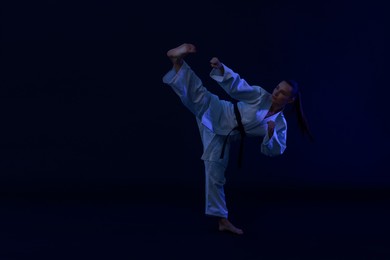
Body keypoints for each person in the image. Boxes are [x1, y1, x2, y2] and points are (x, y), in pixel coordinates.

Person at [162, 43, 313, 235]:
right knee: (197, 95)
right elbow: (239, 87)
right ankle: (178, 60)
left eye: (282, 92)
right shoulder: (260, 95)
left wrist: (270, 133)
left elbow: (274, 150)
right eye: (277, 88)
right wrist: (222, 68)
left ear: (290, 100)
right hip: (222, 112)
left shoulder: (280, 124)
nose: (276, 92)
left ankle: (222, 221)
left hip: (224, 137)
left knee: (215, 175)